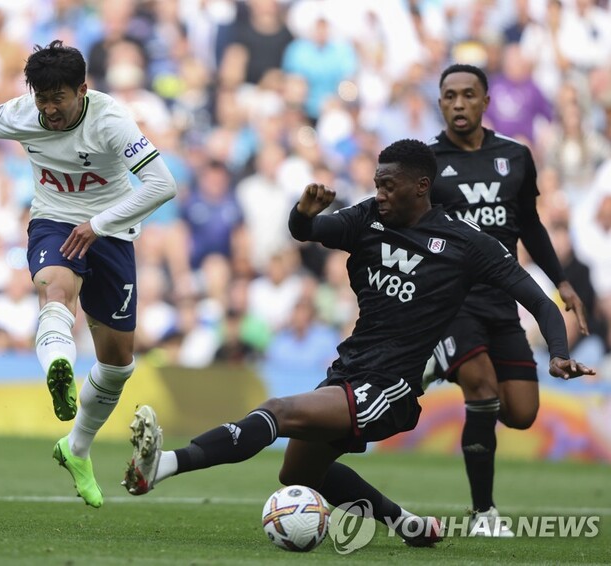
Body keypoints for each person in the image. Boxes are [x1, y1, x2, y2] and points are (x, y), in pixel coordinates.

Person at [121, 139, 594, 547]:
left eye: (389, 185)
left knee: (279, 411)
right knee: (299, 475)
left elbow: (542, 303)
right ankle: (407, 524)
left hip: (392, 385)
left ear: (421, 186)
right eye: (377, 182)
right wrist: (303, 213)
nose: (380, 193)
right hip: (350, 367)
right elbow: (307, 230)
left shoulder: (465, 243)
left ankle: (161, 465)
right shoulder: (368, 218)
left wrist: (557, 352)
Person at [0, 40, 177, 508]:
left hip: (109, 229)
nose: (49, 110)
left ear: (82, 91)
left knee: (118, 366)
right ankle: (60, 367)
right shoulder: (20, 113)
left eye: (59, 99)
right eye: (42, 99)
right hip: (53, 219)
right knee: (56, 289)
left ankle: (76, 449)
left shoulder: (111, 121)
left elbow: (162, 184)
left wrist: (99, 225)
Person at [426, 63, 588, 535]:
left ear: (486, 102)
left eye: (468, 95)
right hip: (450, 302)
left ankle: (443, 363)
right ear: (440, 103)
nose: (458, 103)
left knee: (521, 413)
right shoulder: (427, 163)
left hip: (502, 299)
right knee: (482, 391)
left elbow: (531, 226)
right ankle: (484, 513)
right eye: (449, 96)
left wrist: (560, 280)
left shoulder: (515, 156)